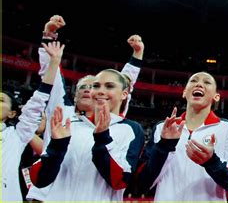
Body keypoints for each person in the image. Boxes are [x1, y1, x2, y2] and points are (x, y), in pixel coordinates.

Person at [27, 15, 144, 201]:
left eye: (97, 86)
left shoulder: (126, 128)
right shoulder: (64, 117)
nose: (92, 91)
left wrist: (137, 56)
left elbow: (123, 84)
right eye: (87, 87)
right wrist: (48, 38)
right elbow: (50, 75)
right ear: (74, 94)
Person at [29, 68, 145, 200]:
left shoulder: (131, 130)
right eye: (96, 86)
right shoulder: (70, 126)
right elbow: (39, 180)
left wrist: (102, 137)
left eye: (109, 86)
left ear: (124, 94)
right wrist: (56, 146)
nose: (100, 91)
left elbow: (119, 181)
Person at [138, 72, 228, 201]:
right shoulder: (163, 128)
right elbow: (142, 184)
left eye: (207, 82)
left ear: (216, 97)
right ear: (184, 92)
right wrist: (164, 146)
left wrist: (211, 162)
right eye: (194, 81)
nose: (199, 84)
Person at [2, 41, 64, 201]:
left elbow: (40, 97)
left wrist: (54, 62)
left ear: (12, 113)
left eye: (1, 100)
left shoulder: (17, 134)